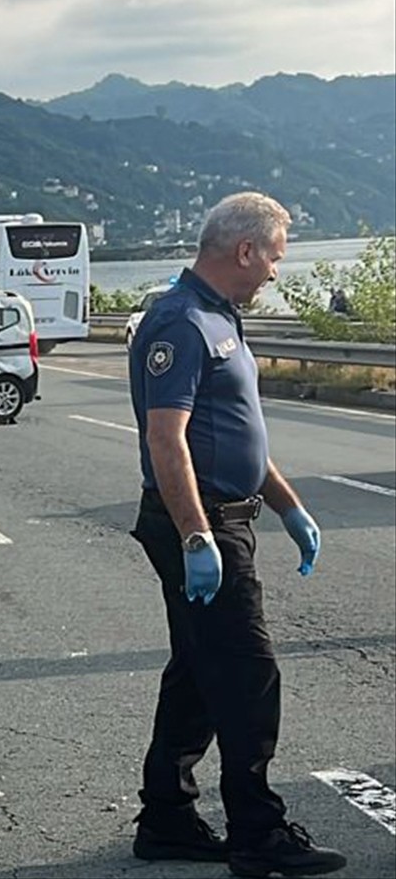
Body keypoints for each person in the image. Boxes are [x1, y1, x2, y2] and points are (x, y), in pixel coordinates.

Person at [128, 192, 346, 877]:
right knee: (248, 676)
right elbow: (168, 442)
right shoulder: (180, 322)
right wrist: (197, 538)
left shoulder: (219, 317)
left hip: (226, 515)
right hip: (204, 525)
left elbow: (234, 432)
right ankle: (256, 832)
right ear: (243, 250)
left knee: (197, 670)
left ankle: (166, 818)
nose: (276, 274)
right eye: (274, 258)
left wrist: (286, 506)